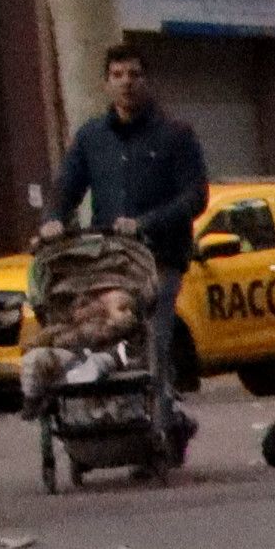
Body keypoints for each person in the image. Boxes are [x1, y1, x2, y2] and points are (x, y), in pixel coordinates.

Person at [42, 44, 211, 415]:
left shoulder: (175, 135)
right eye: (117, 76)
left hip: (160, 260)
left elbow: (195, 198)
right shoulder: (92, 137)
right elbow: (67, 187)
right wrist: (53, 219)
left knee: (153, 339)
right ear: (106, 84)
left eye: (134, 75)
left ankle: (161, 423)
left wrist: (145, 223)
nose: (126, 83)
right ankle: (109, 418)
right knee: (99, 338)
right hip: (109, 262)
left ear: (147, 81)